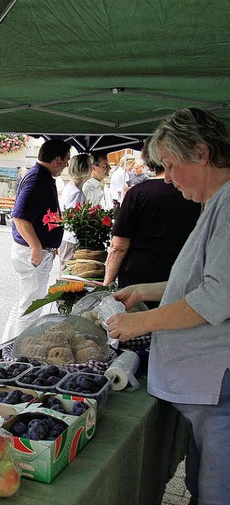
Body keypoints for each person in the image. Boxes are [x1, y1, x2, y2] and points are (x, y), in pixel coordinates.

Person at [107, 108, 230, 505]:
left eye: (173, 166)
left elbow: (217, 296)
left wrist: (140, 324)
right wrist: (144, 291)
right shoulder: (215, 204)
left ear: (202, 152)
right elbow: (198, 282)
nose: (170, 178)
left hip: (219, 381)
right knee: (202, 485)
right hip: (208, 389)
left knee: (217, 492)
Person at [104, 146, 200, 304]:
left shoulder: (137, 193)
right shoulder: (193, 194)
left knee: (136, 324)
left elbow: (118, 246)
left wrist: (107, 283)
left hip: (138, 276)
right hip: (179, 275)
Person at [1, 139, 70, 342]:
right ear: (57, 159)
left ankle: (8, 346)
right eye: (66, 160)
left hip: (35, 251)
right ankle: (18, 349)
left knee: (25, 303)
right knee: (31, 306)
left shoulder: (41, 176)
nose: (67, 164)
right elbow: (20, 217)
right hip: (31, 253)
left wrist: (50, 242)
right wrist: (37, 247)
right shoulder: (37, 179)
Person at [57, 153, 93, 271]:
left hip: (68, 238)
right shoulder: (75, 192)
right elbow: (73, 220)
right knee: (68, 276)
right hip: (71, 239)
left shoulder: (72, 188)